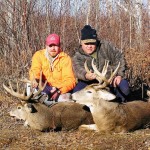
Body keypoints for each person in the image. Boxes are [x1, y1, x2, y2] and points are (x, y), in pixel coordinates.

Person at [72, 25, 130, 103]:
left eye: (92, 43)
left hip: (109, 80)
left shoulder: (106, 47)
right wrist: (86, 75)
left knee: (124, 87)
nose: (89, 46)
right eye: (86, 44)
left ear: (96, 42)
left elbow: (119, 58)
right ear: (81, 43)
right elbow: (78, 69)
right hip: (89, 83)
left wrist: (119, 75)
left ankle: (119, 104)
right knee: (77, 93)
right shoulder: (78, 56)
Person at [29, 33, 76, 104]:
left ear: (59, 46)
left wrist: (59, 90)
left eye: (55, 45)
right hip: (44, 87)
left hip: (59, 89)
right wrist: (35, 79)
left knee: (66, 100)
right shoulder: (38, 55)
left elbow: (70, 80)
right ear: (46, 46)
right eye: (50, 46)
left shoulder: (65, 58)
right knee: (29, 86)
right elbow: (35, 69)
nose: (53, 48)